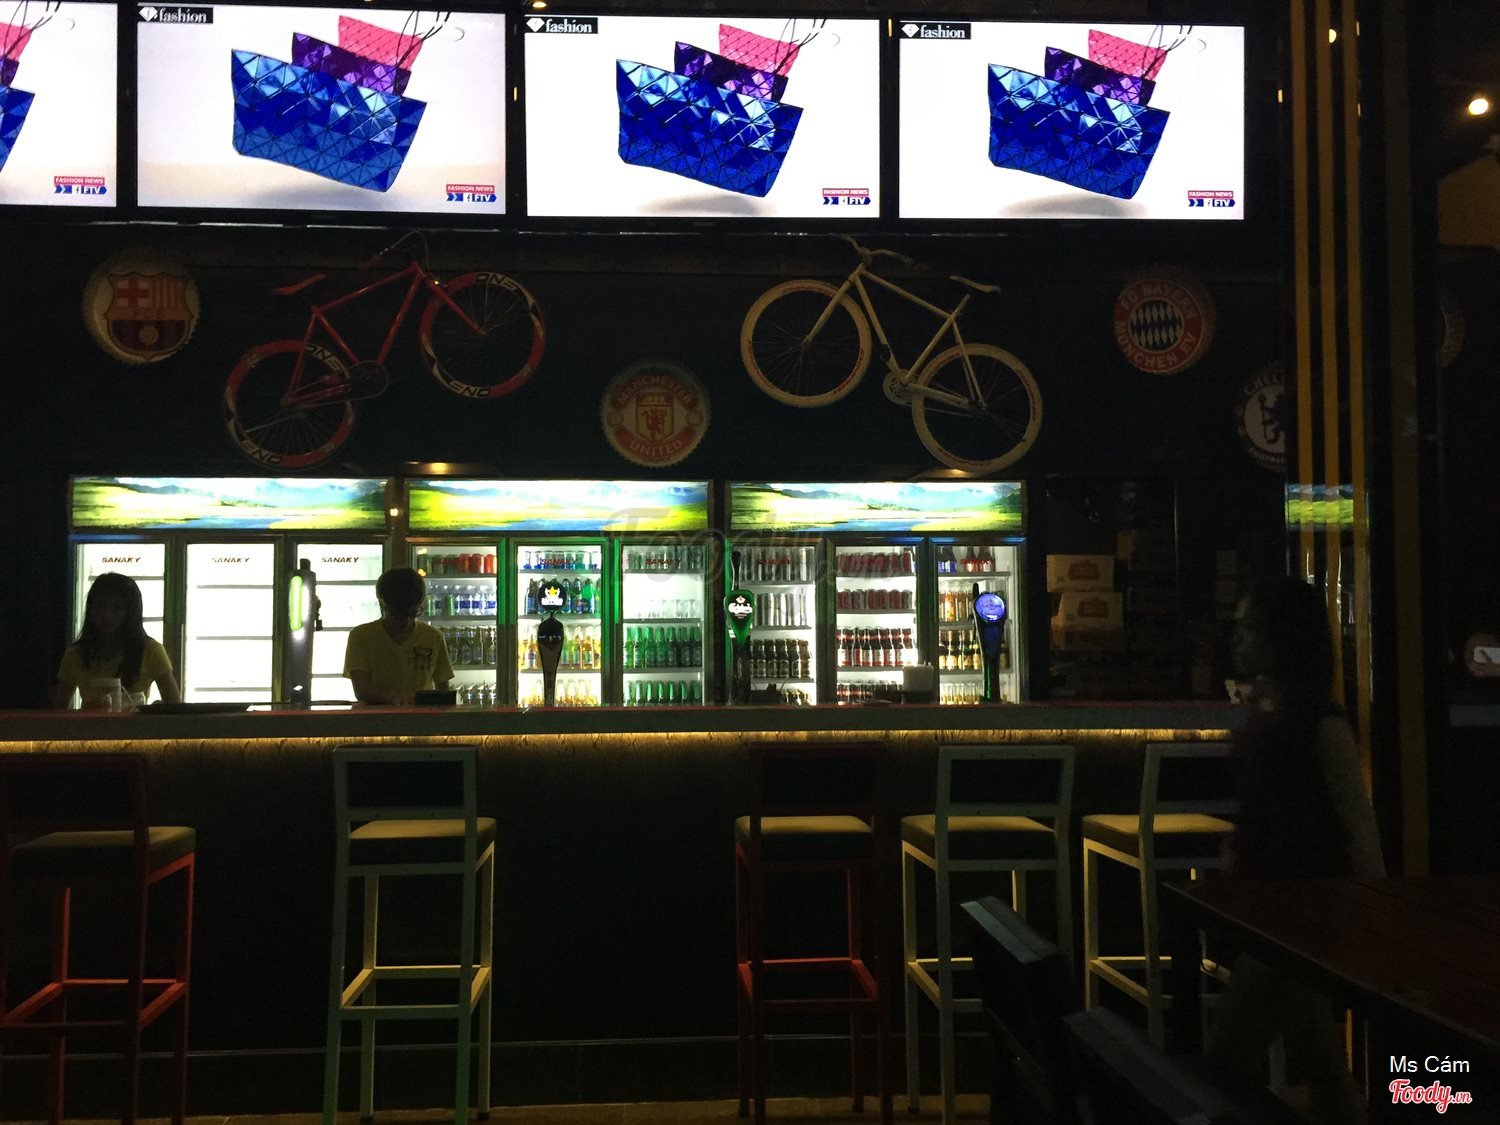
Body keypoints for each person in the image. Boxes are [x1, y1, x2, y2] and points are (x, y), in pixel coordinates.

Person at [1205, 575, 1385, 1124]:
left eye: (1251, 628)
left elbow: (1358, 829)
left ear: (1282, 637)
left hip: (1299, 914)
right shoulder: (1283, 711)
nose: (1238, 639)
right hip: (1286, 911)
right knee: (1322, 1069)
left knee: (1227, 1061)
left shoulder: (1316, 724)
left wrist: (1372, 915)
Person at [52, 572, 181, 708]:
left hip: (133, 723)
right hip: (90, 722)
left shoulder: (151, 651)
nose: (106, 615)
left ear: (130, 612)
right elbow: (60, 711)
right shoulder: (75, 654)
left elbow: (174, 706)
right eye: (100, 606)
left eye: (116, 608)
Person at [344, 567, 453, 705]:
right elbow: (361, 690)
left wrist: (395, 698)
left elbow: (443, 691)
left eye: (411, 614)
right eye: (396, 615)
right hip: (379, 718)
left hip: (416, 718)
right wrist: (396, 698)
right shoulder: (361, 636)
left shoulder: (434, 637)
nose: (405, 621)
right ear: (382, 605)